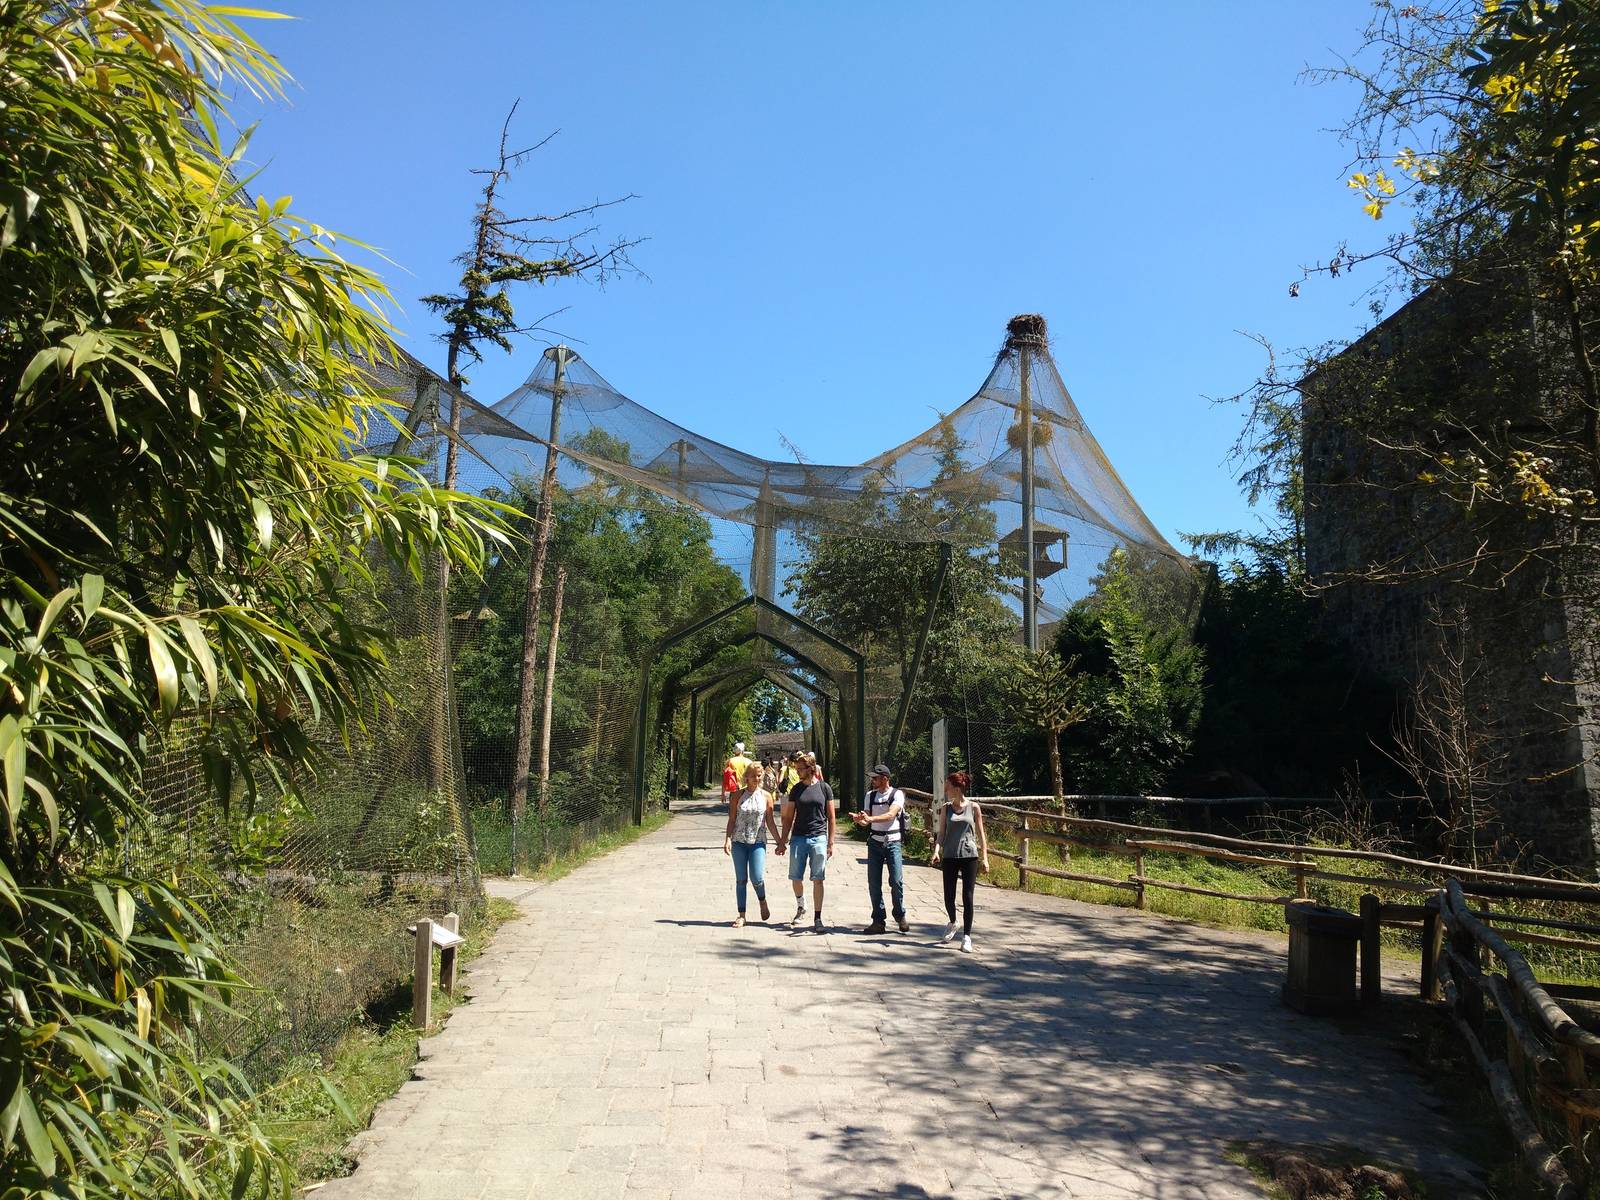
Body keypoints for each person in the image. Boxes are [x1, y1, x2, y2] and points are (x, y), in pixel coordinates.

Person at [930, 770, 988, 952]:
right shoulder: (946, 808)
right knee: (948, 895)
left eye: (948, 787)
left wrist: (985, 858)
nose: (945, 789)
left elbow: (981, 834)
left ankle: (967, 937)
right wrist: (936, 851)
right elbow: (941, 834)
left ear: (956, 788)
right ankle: (953, 921)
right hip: (949, 855)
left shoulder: (974, 807)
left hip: (969, 855)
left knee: (968, 897)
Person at [776, 756, 835, 933]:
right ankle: (801, 905)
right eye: (796, 769)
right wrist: (782, 841)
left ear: (810, 768)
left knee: (818, 878)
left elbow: (831, 817)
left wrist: (830, 842)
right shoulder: (796, 789)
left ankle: (818, 918)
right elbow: (788, 818)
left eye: (800, 769)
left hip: (818, 837)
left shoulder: (824, 788)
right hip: (799, 837)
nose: (797, 772)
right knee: (796, 877)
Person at [851, 763, 908, 934]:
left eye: (875, 778)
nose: (873, 781)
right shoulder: (870, 795)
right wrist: (859, 820)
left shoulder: (897, 794)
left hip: (893, 842)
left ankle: (899, 914)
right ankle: (878, 920)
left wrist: (869, 820)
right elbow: (865, 820)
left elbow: (891, 815)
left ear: (885, 778)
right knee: (874, 883)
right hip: (874, 842)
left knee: (896, 881)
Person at [723, 762, 779, 926]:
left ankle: (762, 900)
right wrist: (727, 839)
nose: (757, 778)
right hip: (739, 841)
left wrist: (780, 842)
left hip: (758, 842)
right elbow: (732, 819)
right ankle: (742, 915)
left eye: (759, 775)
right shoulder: (737, 796)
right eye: (754, 775)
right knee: (741, 880)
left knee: (757, 877)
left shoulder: (766, 796)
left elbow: (770, 822)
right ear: (746, 777)